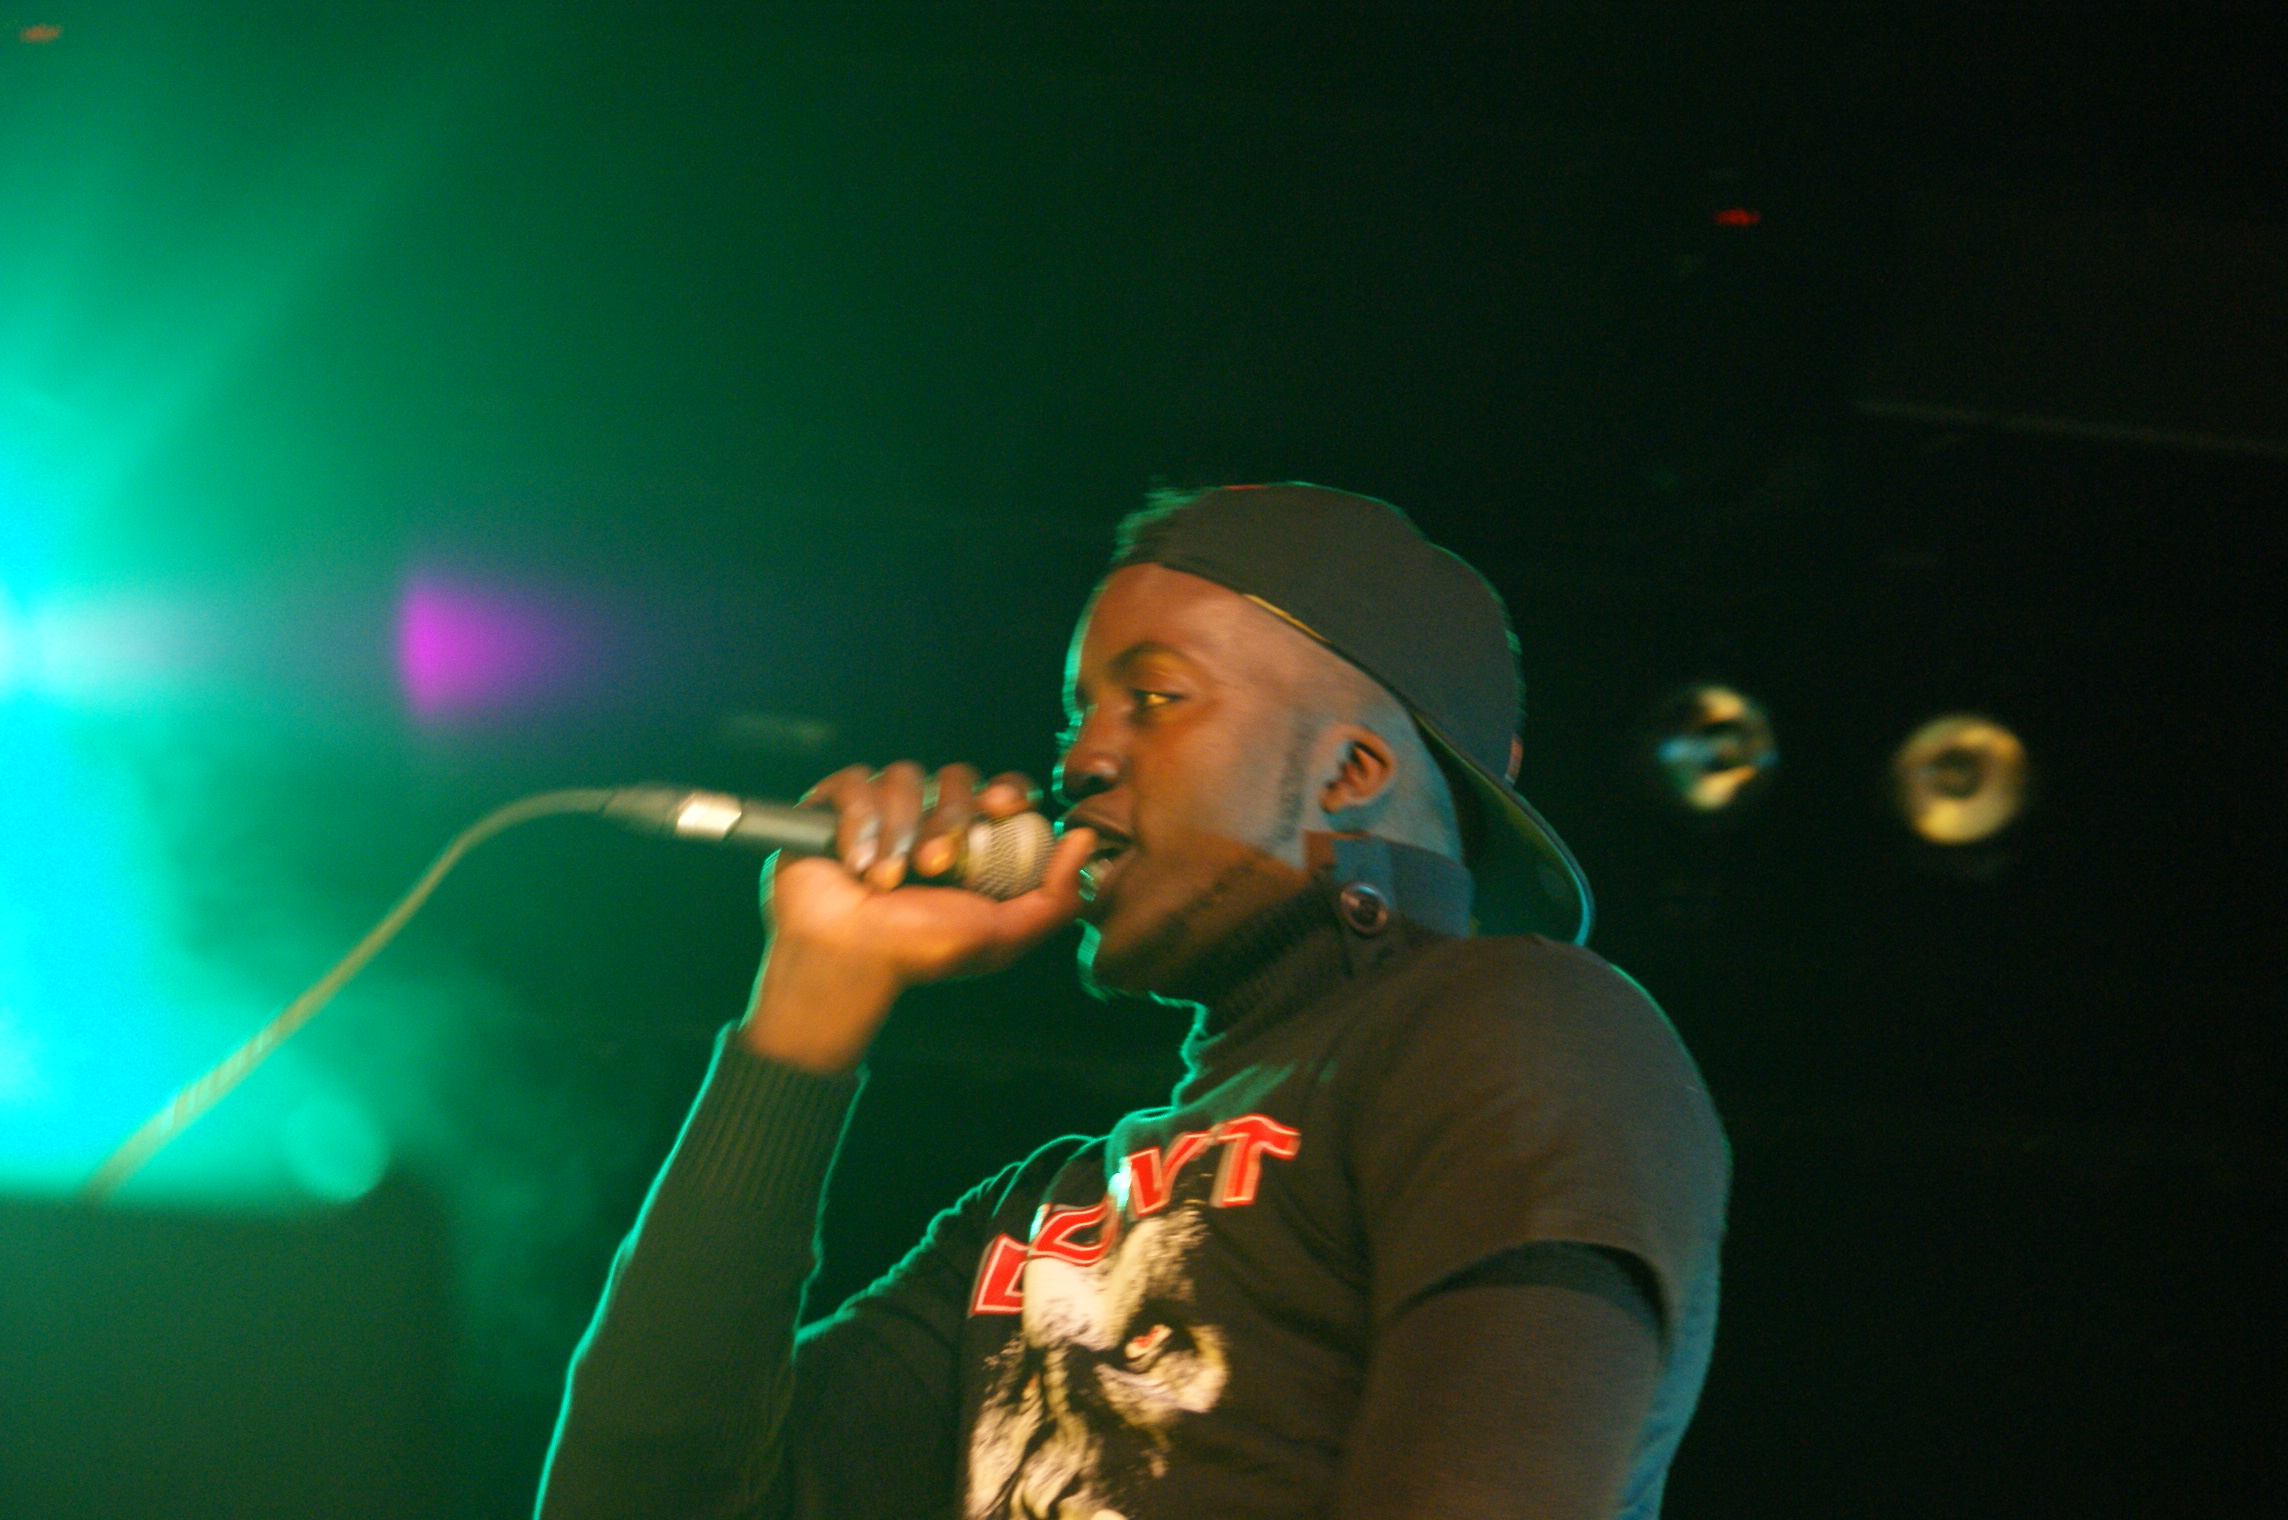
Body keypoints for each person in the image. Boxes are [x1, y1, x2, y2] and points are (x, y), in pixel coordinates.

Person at [536, 483, 1729, 1520]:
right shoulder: (1031, 1216)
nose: (1078, 759)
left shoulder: (1523, 1021)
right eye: (1078, 711)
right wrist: (810, 994)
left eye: (1152, 696)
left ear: (1349, 771)